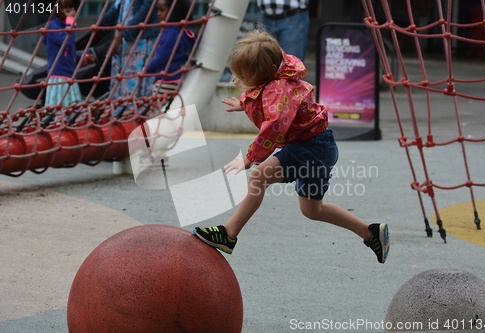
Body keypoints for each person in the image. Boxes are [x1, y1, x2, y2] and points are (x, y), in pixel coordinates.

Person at [194, 31, 390, 264]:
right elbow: (264, 96)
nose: (240, 81)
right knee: (312, 210)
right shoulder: (279, 71)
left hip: (310, 148)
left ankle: (228, 234)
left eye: (244, 76)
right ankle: (371, 233)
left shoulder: (278, 90)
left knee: (258, 178)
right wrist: (243, 104)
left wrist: (250, 157)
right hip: (318, 145)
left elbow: (275, 124)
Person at [104, 0, 160, 99]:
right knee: (122, 80)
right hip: (125, 36)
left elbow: (148, 7)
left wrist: (122, 35)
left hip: (141, 37)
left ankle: (134, 110)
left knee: (136, 82)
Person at [44, 0, 95, 108]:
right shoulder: (53, 26)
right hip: (59, 76)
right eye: (67, 9)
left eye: (72, 8)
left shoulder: (66, 27)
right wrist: (71, 23)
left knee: (72, 109)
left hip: (69, 76)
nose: (71, 12)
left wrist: (84, 58)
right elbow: (67, 42)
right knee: (58, 109)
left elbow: (68, 55)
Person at [145, 0, 195, 86]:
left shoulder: (171, 33)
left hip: (166, 79)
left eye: (162, 10)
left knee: (159, 99)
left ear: (174, 12)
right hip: (177, 77)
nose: (158, 14)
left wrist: (147, 69)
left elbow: (162, 57)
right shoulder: (181, 31)